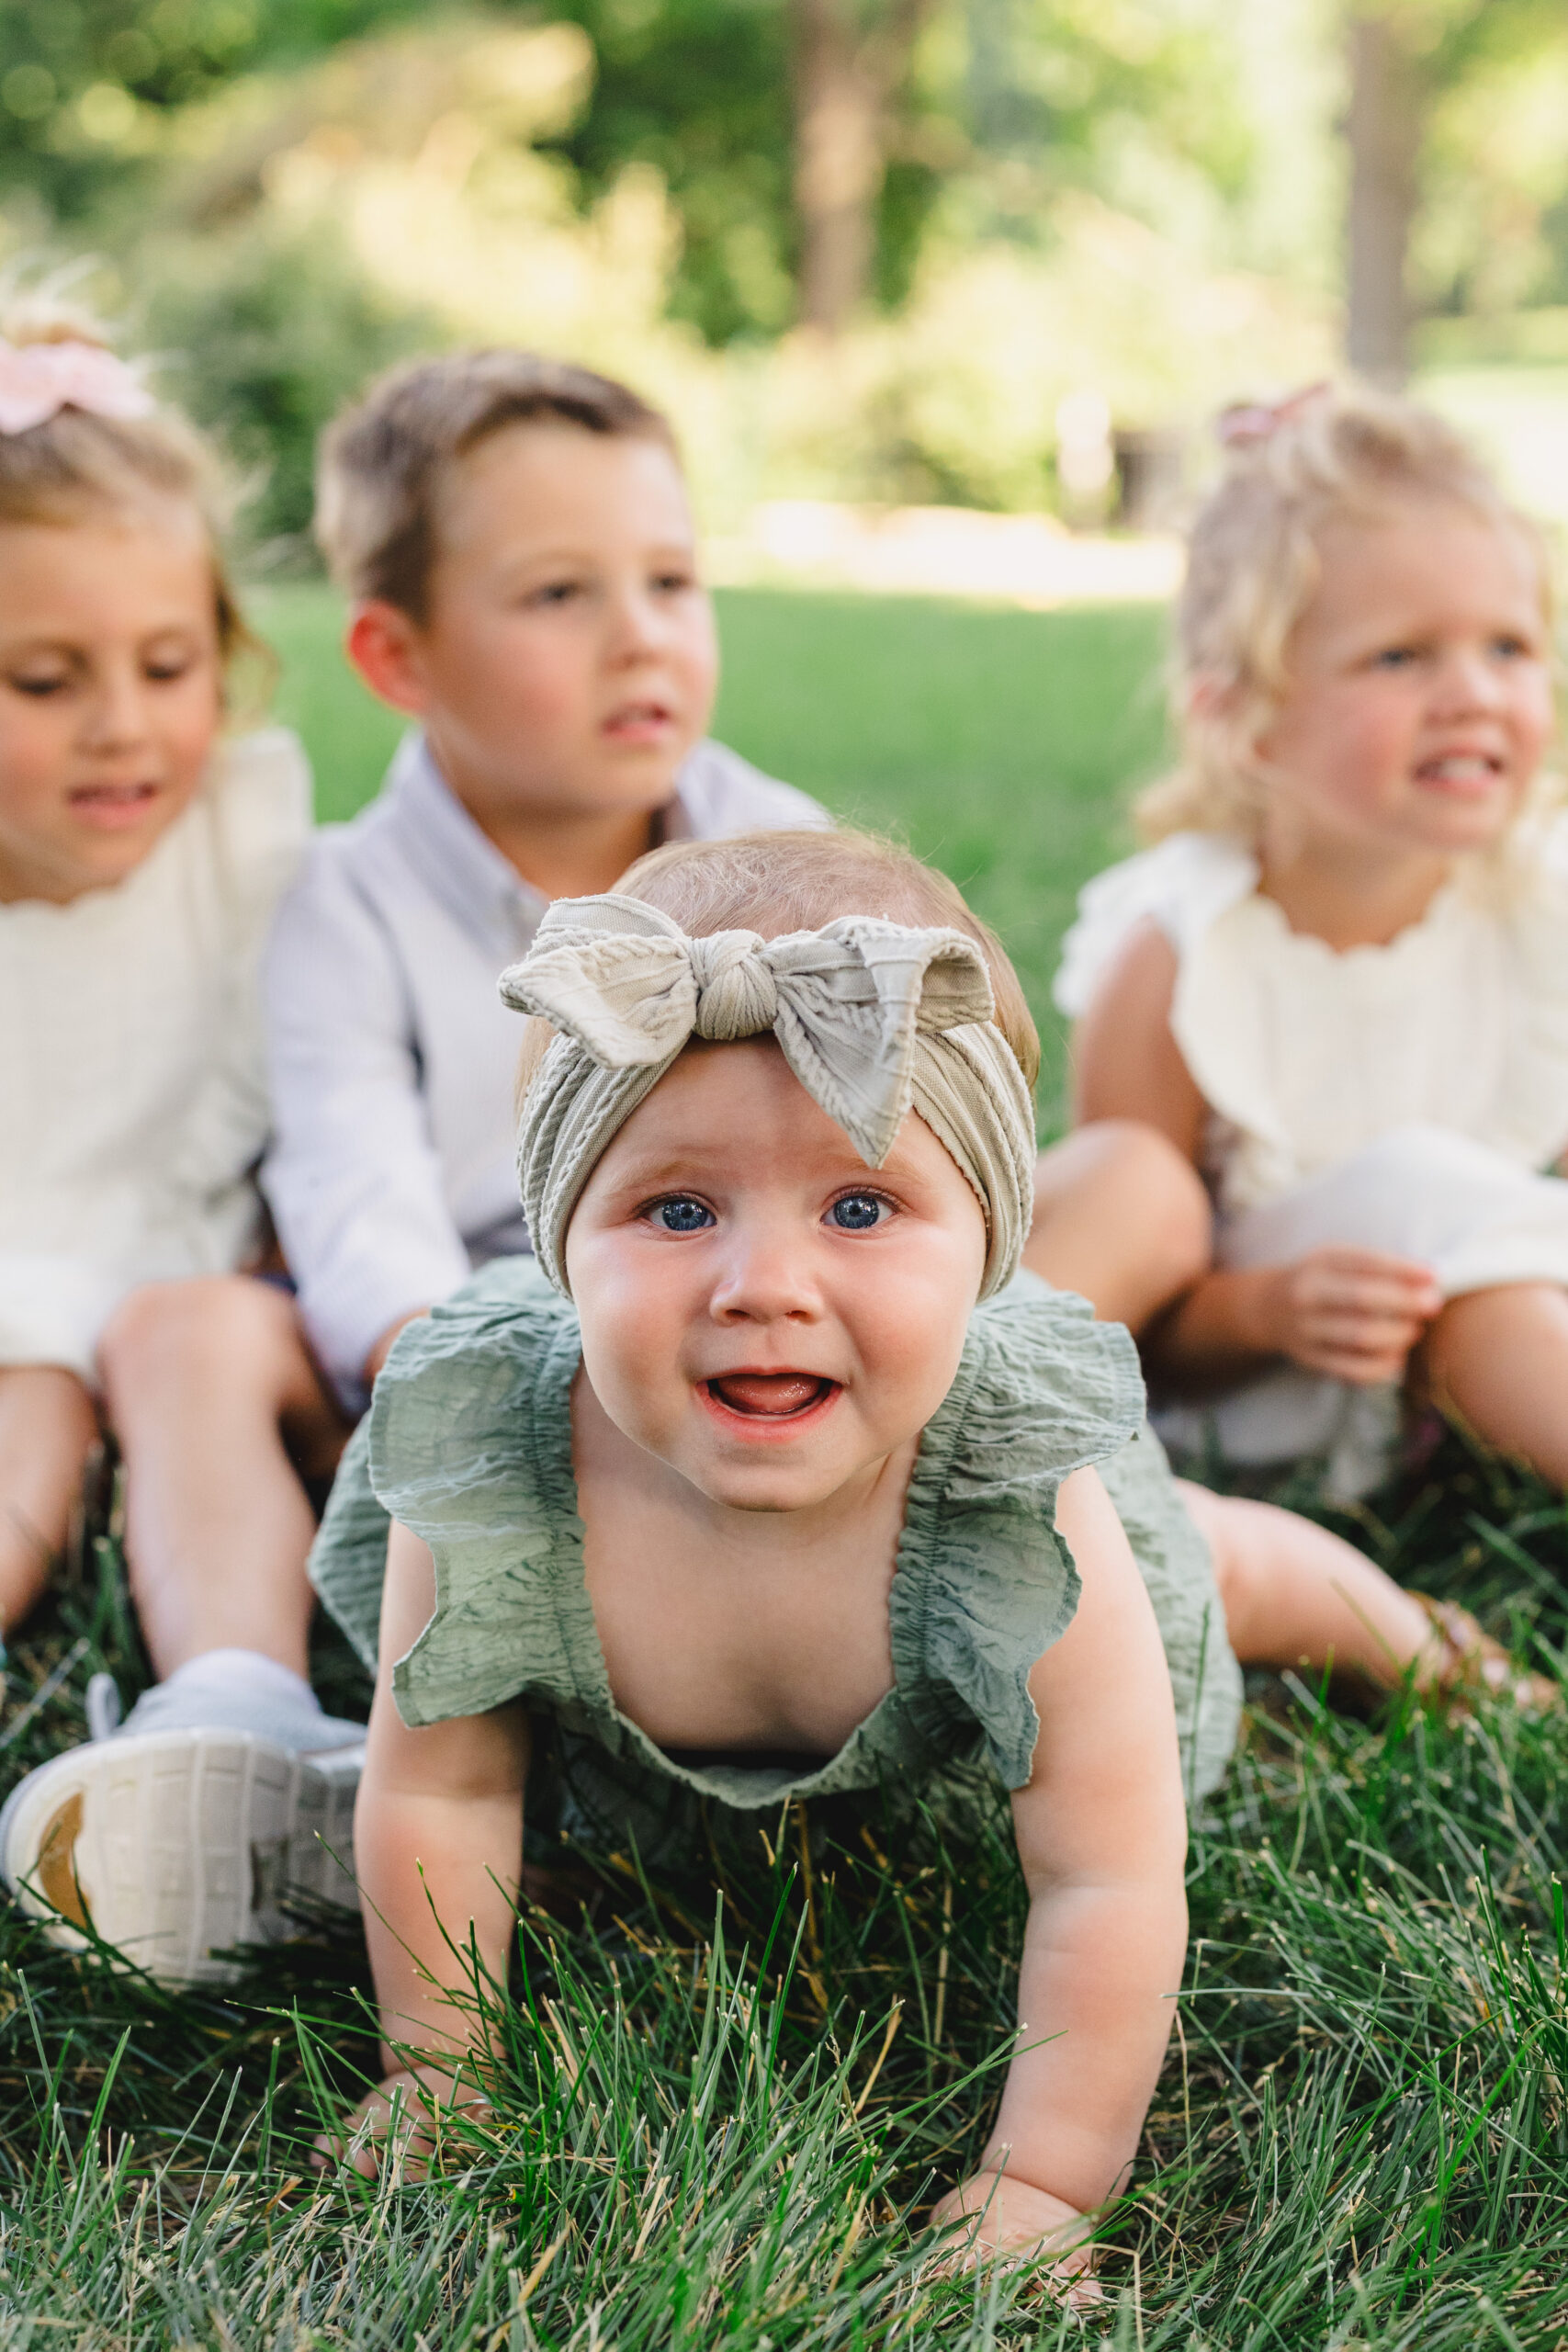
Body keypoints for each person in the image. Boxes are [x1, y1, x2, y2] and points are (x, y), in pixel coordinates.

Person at [309, 830, 1539, 2281]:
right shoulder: (490, 1461)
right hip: (664, 1760)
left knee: (1216, 1569)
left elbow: (1106, 1875)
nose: (763, 1285)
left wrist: (1041, 2189)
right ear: (558, 1233)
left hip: (1028, 1649)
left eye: (860, 1206)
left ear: (989, 1247)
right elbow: (440, 1784)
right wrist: (444, 2076)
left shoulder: (1021, 1489)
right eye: (676, 1209)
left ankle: (1430, 1649)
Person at [0, 311, 363, 1983]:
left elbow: (314, 1073)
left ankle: (232, 1721)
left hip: (163, 1285)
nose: (125, 727)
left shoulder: (238, 839)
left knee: (28, 1445)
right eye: (44, 681)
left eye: (168, 665)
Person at [261, 350, 829, 1414]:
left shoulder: (783, 854)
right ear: (398, 658)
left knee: (1105, 1204)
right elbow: (359, 1208)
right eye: (560, 592)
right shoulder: (344, 908)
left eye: (670, 582)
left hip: (758, 1332)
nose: (641, 639)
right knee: (209, 1333)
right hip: (477, 1361)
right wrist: (481, 1394)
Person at [1052, 384, 1568, 1501]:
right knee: (1426, 1200)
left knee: (1499, 1290)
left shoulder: (1541, 907)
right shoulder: (1182, 957)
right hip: (1263, 1390)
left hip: (1476, 1349)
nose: (1473, 694)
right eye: (1401, 658)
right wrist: (1272, 1308)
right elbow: (1130, 1305)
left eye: (1510, 647)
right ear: (1246, 717)